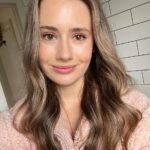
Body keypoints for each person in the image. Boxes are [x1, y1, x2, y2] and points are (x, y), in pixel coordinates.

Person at [0, 0, 150, 149]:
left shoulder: (138, 111)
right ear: (34, 43)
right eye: (49, 36)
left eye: (78, 36)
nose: (64, 55)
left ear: (95, 43)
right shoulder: (11, 126)